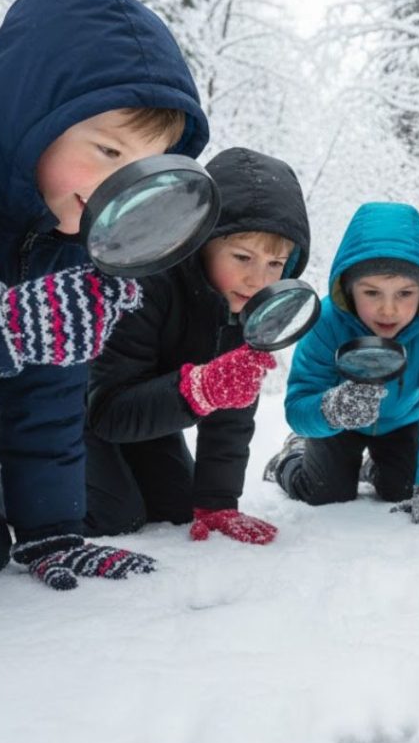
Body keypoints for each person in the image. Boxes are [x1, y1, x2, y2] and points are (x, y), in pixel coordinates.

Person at [0, 0, 210, 611]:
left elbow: (48, 388)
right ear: (30, 116)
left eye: (140, 168)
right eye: (107, 149)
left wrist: (52, 530)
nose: (120, 186)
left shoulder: (68, 230)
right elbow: (7, 333)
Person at [80, 146, 310, 544]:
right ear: (202, 242)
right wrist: (199, 389)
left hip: (151, 413)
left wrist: (218, 501)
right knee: (111, 516)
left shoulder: (249, 308)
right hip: (78, 411)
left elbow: (232, 416)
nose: (258, 279)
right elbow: (106, 412)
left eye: (275, 264)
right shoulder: (146, 285)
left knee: (175, 508)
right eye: (242, 257)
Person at [262, 202, 419, 525]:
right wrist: (331, 410)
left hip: (401, 422)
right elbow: (299, 404)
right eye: (372, 293)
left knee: (403, 489)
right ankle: (290, 458)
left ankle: (375, 468)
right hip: (338, 424)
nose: (389, 310)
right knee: (323, 492)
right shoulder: (326, 320)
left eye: (405, 293)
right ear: (349, 289)